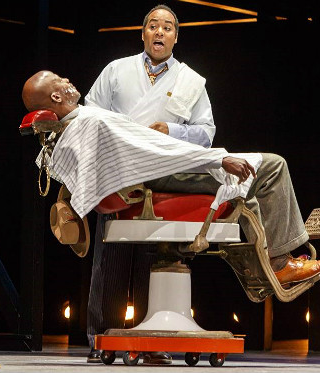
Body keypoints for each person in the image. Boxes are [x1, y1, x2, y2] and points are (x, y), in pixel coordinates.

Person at [21, 69, 320, 360]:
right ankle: (281, 265)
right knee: (274, 165)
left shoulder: (70, 128)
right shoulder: (91, 120)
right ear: (56, 97)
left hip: (147, 177)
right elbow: (159, 151)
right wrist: (217, 159)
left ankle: (270, 263)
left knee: (246, 197)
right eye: (60, 80)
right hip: (159, 176)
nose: (68, 81)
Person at [83, 4, 213, 364]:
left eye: (167, 27)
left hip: (165, 177)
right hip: (119, 172)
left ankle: (151, 342)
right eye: (153, 26)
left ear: (176, 36)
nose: (159, 32)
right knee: (110, 257)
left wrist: (170, 129)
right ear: (142, 33)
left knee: (151, 257)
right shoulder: (116, 70)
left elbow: (206, 132)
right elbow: (89, 113)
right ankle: (101, 339)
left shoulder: (190, 80)